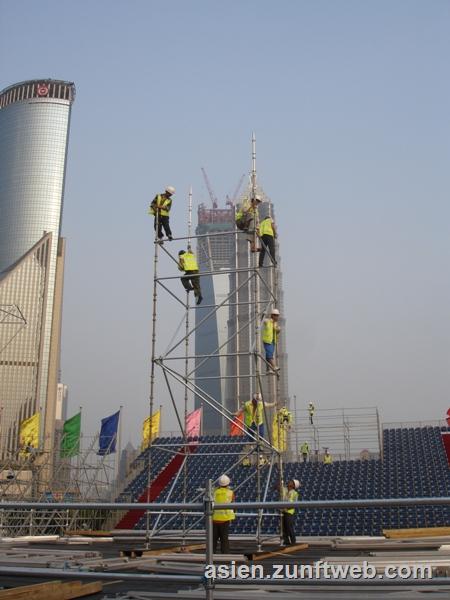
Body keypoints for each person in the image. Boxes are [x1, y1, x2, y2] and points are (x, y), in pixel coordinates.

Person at [212, 474, 235, 554]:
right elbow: (233, 505)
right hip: (225, 519)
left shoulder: (214, 492)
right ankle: (225, 556)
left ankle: (210, 556)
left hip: (214, 519)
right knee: (224, 539)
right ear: (228, 483)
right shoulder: (230, 493)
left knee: (213, 539)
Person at [280, 479, 300, 546]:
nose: (289, 482)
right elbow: (277, 487)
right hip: (283, 511)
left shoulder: (295, 493)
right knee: (283, 528)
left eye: (291, 482)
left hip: (289, 512)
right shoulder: (284, 490)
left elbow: (295, 504)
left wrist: (287, 507)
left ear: (293, 485)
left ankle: (293, 541)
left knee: (289, 527)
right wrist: (280, 480)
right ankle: (286, 541)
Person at [262, 308, 281, 373]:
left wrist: (278, 330)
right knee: (269, 355)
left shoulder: (275, 324)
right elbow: (263, 320)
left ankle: (268, 369)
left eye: (278, 315)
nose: (277, 317)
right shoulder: (268, 321)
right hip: (267, 341)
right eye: (276, 315)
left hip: (273, 341)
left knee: (268, 355)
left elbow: (277, 331)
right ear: (272, 315)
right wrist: (263, 314)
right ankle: (274, 366)